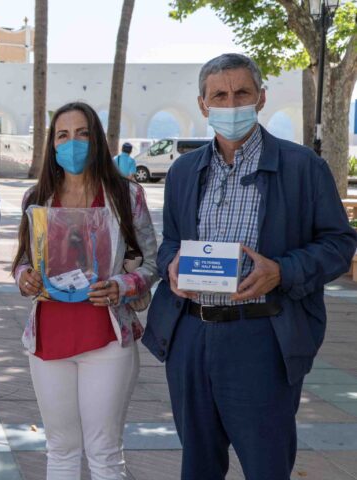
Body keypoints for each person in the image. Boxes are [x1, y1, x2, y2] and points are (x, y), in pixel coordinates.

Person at [142, 53, 357, 480]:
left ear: (261, 97)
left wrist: (283, 270)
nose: (231, 102)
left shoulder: (303, 168)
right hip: (191, 334)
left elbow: (339, 243)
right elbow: (169, 243)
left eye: (241, 92)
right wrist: (171, 266)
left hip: (262, 336)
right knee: (198, 465)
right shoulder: (185, 171)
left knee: (266, 466)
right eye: (219, 95)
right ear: (203, 105)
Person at [12, 102, 159, 479]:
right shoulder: (36, 198)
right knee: (60, 449)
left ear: (97, 140)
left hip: (105, 338)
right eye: (63, 135)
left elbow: (151, 263)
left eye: (82, 134)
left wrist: (121, 286)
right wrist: (24, 277)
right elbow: (22, 261)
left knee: (104, 453)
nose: (72, 143)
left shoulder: (126, 196)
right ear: (52, 144)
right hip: (49, 339)